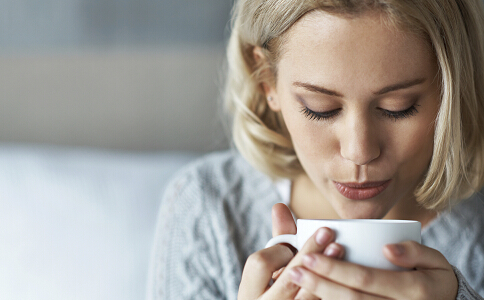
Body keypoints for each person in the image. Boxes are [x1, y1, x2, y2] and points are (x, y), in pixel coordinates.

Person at [147, 0, 484, 299]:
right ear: (266, 82)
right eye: (320, 108)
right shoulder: (209, 208)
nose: (359, 151)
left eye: (399, 107)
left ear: (451, 86)